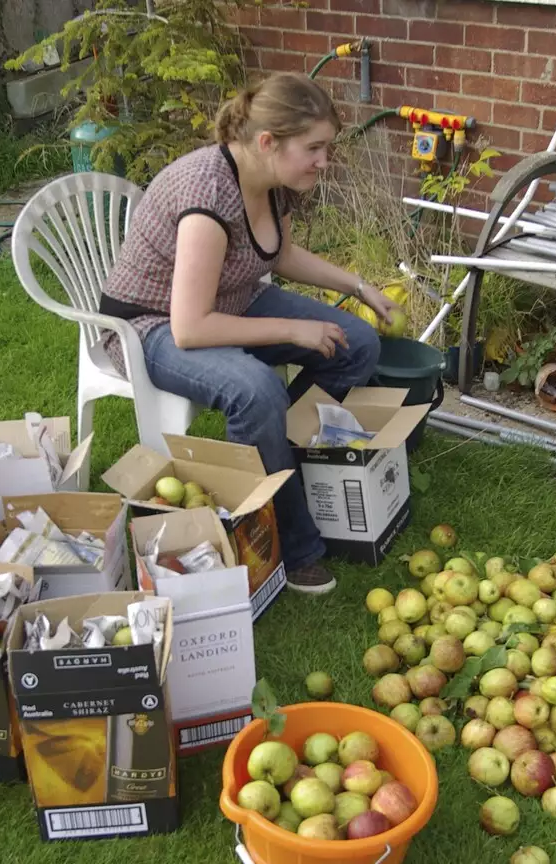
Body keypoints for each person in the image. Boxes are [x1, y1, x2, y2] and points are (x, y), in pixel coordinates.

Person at [99, 73, 396, 595]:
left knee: (358, 344)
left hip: (233, 298)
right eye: (315, 148)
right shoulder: (207, 194)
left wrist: (360, 286)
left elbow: (276, 253)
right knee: (257, 390)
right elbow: (190, 328)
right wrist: (292, 329)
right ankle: (290, 544)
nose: (324, 162)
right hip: (150, 325)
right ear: (267, 142)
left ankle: (278, 463)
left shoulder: (264, 178)